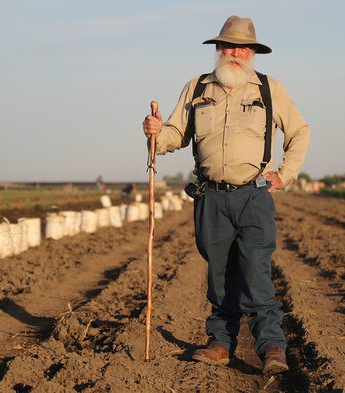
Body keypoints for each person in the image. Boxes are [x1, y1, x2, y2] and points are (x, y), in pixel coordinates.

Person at [142, 16, 309, 375]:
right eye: (229, 46)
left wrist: (285, 175)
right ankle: (221, 343)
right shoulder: (198, 87)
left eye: (242, 48)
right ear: (219, 50)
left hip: (253, 196)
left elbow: (299, 132)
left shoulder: (268, 89)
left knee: (256, 273)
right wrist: (156, 133)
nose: (235, 53)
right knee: (219, 274)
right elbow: (175, 134)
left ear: (252, 53)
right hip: (210, 197)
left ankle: (272, 347)